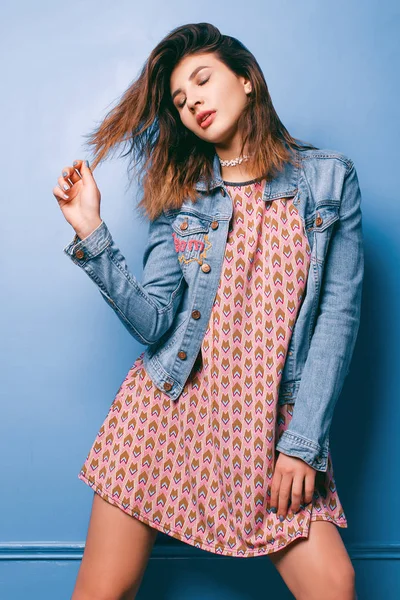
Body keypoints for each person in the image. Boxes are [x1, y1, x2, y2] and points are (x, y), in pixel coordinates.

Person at [53, 22, 363, 600]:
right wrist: (92, 231)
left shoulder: (328, 180)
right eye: (179, 98)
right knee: (102, 592)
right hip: (165, 412)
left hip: (267, 425)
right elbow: (154, 322)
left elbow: (336, 323)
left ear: (246, 80)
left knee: (333, 584)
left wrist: (301, 444)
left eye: (202, 80)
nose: (192, 100)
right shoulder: (180, 199)